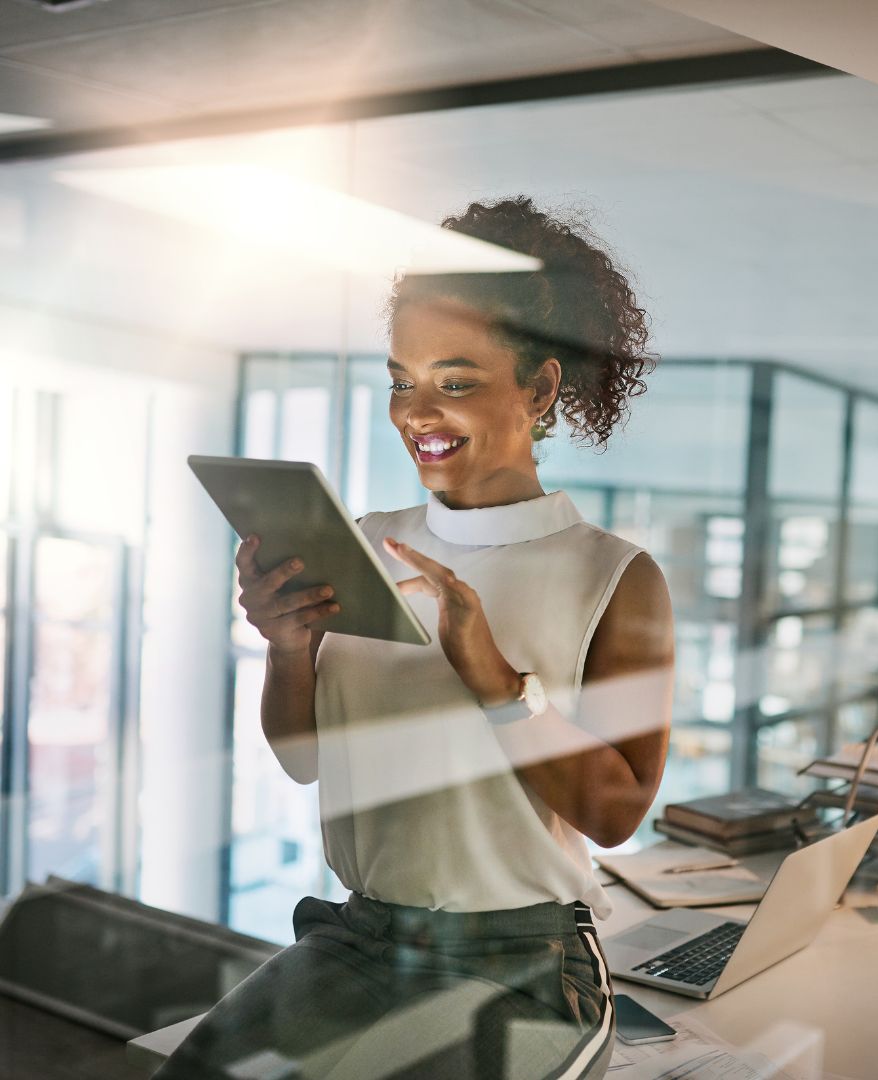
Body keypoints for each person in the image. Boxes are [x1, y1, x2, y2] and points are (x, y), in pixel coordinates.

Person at [155, 196, 675, 1079]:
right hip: (361, 941)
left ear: (541, 389)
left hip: (526, 966)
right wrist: (286, 650)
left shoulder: (614, 577)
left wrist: (498, 687)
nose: (417, 412)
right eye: (403, 379)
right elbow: (303, 757)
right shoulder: (360, 538)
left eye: (457, 381)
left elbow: (617, 813)